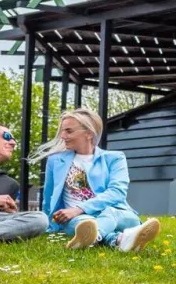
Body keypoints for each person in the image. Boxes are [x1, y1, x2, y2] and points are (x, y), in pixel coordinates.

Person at [36, 108, 160, 253]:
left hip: (118, 215)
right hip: (78, 220)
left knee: (108, 214)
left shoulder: (115, 158)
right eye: (62, 131)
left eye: (69, 131)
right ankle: (120, 240)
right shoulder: (56, 160)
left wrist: (78, 209)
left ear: (89, 134)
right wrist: (48, 224)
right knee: (83, 224)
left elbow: (117, 192)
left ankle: (93, 236)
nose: (63, 136)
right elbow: (48, 195)